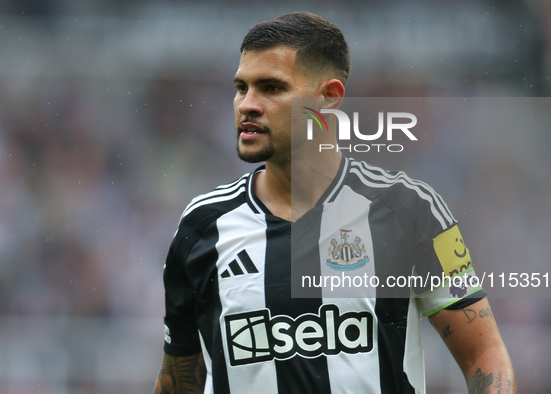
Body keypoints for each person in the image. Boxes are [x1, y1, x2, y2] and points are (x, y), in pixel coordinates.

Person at [153, 12, 515, 394]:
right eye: (241, 87)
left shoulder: (412, 211)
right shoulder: (201, 225)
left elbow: (483, 356)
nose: (247, 104)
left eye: (272, 88)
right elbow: (177, 382)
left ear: (328, 98)